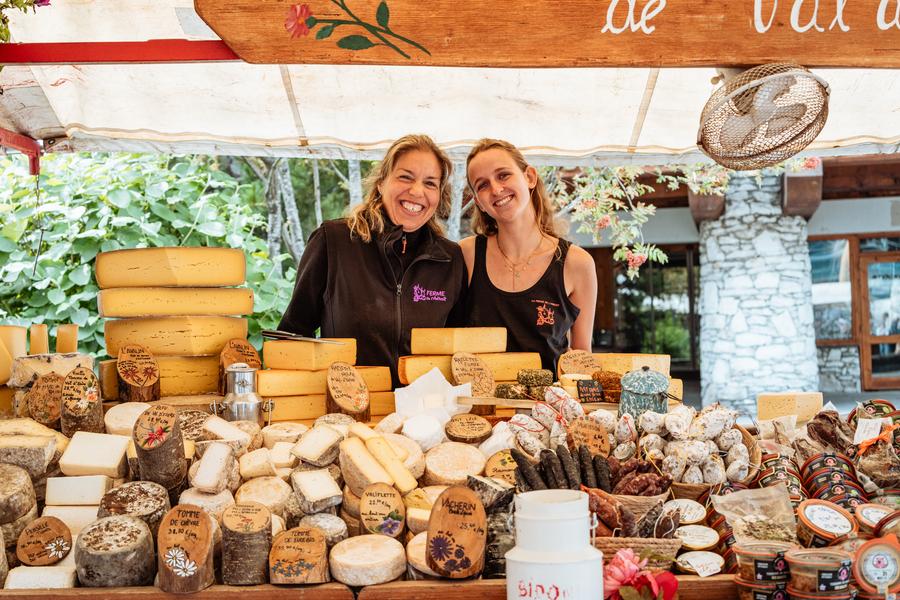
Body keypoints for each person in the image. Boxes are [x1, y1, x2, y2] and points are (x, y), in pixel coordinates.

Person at [279, 134, 467, 385]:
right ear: (381, 183)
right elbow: (293, 335)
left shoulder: (449, 259)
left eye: (430, 183)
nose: (417, 191)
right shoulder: (334, 241)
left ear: (439, 195)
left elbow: (460, 351)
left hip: (424, 408)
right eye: (405, 177)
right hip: (349, 403)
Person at [461, 138, 598, 372]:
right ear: (479, 203)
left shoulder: (577, 263)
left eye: (503, 175)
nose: (496, 189)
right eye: (482, 185)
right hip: (480, 396)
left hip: (549, 395)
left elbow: (582, 359)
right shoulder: (466, 255)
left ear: (530, 177)